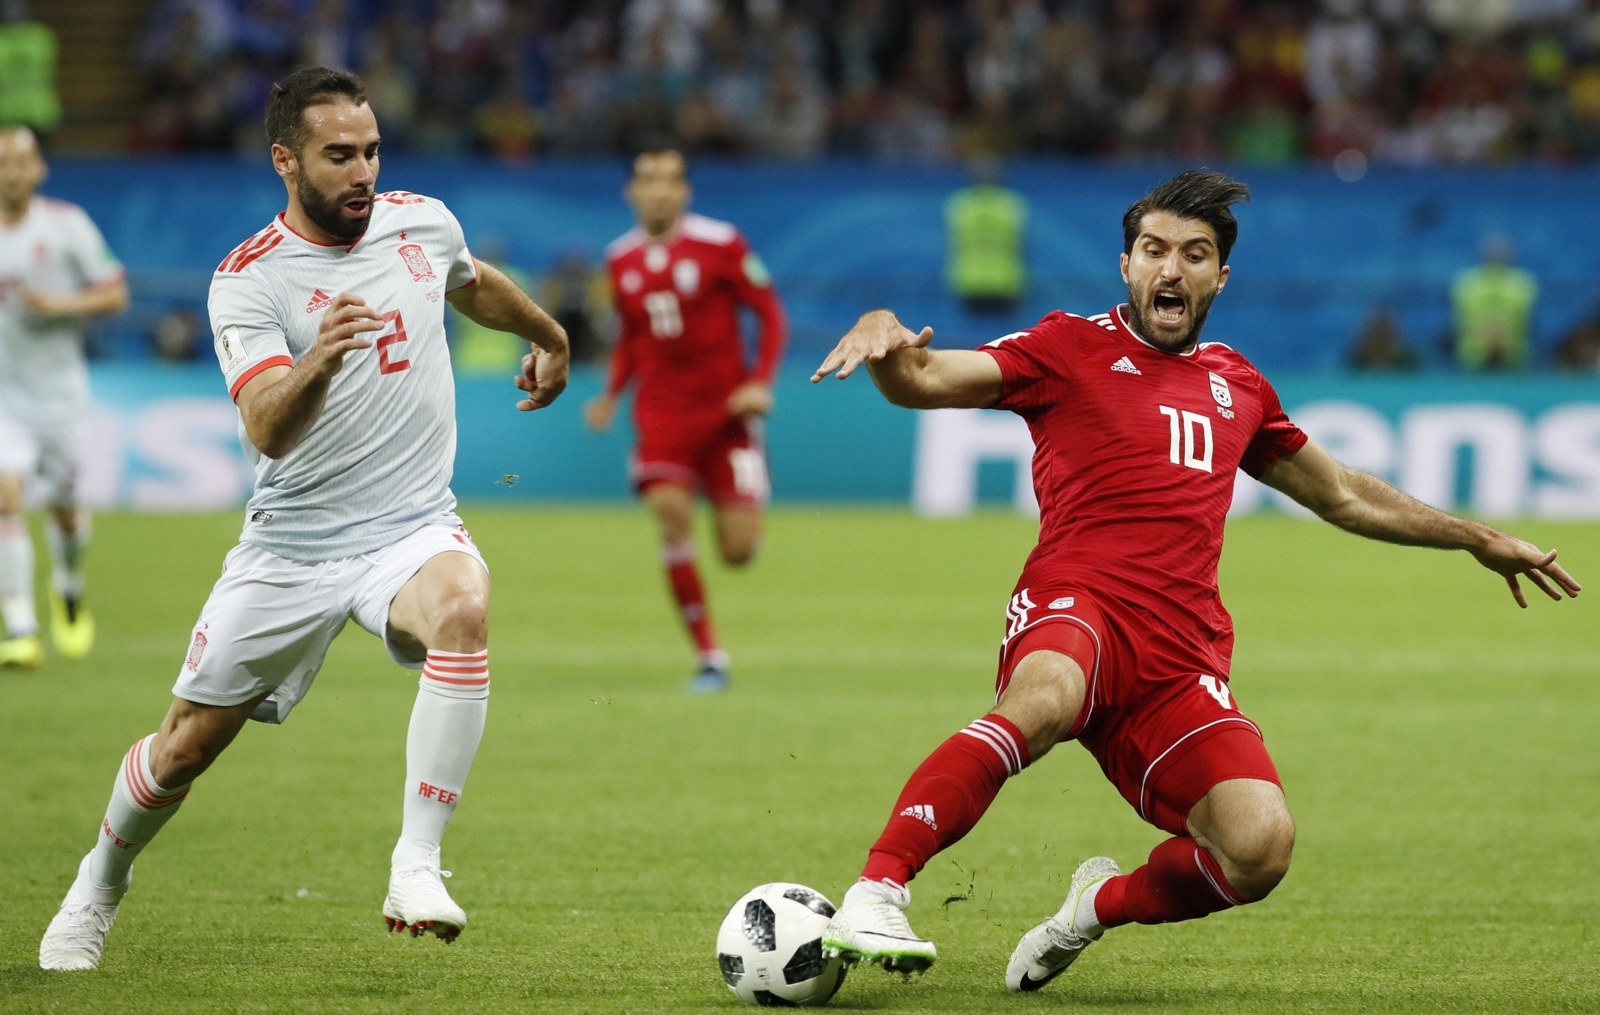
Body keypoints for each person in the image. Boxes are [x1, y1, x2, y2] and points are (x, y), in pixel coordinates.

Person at [809, 169, 1580, 992]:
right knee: (1043, 699)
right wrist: (883, 330)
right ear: (1126, 264)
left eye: (1193, 254)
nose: (1169, 269)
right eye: (1153, 251)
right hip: (1080, 605)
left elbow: (1343, 491)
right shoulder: (1068, 346)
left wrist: (1476, 537)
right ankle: (878, 887)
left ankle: (1091, 907)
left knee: (1259, 848)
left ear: (1220, 276)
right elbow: (922, 379)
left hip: (1179, 657)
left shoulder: (1238, 386)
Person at [38, 66, 570, 971]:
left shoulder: (420, 220)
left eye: (369, 150)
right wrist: (318, 358)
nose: (361, 171)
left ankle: (417, 861)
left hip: (410, 526)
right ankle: (99, 881)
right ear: (286, 160)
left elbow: (468, 280)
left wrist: (549, 336)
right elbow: (265, 430)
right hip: (292, 548)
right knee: (182, 749)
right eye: (337, 156)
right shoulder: (247, 281)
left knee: (465, 607)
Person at [583, 147, 786, 693]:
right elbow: (630, 338)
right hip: (662, 414)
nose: (659, 190)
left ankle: (747, 502)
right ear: (631, 191)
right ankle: (710, 657)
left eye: (669, 180)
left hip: (727, 414)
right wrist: (609, 394)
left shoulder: (722, 243)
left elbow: (769, 314)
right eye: (648, 179)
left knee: (737, 553)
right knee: (670, 512)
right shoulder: (618, 259)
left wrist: (758, 382)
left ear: (685, 192)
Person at [0, 124, 129, 670]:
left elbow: (116, 294)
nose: (12, 172)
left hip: (61, 399)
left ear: (39, 169)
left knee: (68, 515)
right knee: (6, 501)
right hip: (5, 398)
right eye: (3, 161)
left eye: (21, 161)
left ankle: (69, 587)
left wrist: (60, 307)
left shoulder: (67, 225)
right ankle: (21, 627)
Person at [945, 155, 1028, 317]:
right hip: (1006, 281)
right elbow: (1022, 246)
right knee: (1007, 338)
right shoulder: (1011, 204)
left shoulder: (961, 205)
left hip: (969, 280)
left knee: (970, 340)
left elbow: (954, 244)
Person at [1451, 233, 1537, 371]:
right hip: (1473, 350)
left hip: (1513, 349)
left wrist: (1501, 336)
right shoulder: (1466, 283)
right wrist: (1487, 335)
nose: (1497, 257)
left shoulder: (1524, 284)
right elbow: (1461, 322)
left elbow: (1525, 323)